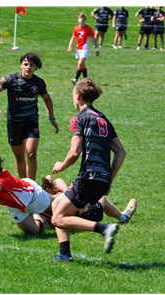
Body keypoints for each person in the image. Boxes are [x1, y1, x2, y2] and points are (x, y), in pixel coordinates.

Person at [50, 78, 127, 262]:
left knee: (57, 219)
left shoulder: (78, 119)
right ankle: (64, 253)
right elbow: (120, 152)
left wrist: (62, 165)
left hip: (88, 178)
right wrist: (110, 180)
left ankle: (104, 229)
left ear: (77, 96)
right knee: (56, 206)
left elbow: (75, 152)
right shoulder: (103, 119)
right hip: (102, 179)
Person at [0, 53, 59, 182]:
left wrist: (51, 117)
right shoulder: (10, 79)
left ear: (36, 67)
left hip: (31, 122)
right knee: (19, 157)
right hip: (14, 123)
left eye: (32, 65)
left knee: (31, 153)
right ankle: (24, 185)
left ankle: (32, 186)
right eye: (26, 64)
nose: (28, 67)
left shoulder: (39, 83)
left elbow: (47, 99)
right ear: (21, 65)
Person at [40, 175, 137, 226]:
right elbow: (79, 205)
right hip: (80, 217)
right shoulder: (58, 200)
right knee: (101, 199)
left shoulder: (39, 205)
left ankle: (123, 216)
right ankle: (124, 217)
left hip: (69, 215)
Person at [68, 12, 100, 85]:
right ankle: (87, 80)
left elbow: (93, 38)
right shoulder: (76, 28)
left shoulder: (88, 28)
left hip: (85, 48)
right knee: (82, 65)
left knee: (80, 63)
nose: (81, 20)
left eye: (83, 19)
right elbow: (73, 38)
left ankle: (75, 79)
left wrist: (97, 49)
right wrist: (70, 46)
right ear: (78, 20)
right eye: (80, 18)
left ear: (84, 20)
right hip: (78, 48)